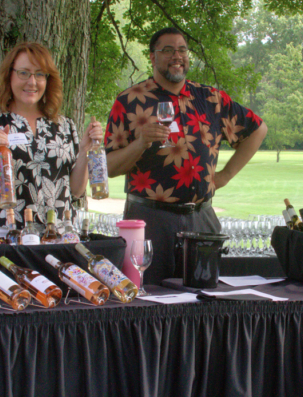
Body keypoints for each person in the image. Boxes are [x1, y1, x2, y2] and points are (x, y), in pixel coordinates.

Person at [105, 27, 267, 284]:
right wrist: (141, 143)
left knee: (204, 300)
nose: (176, 56)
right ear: (153, 56)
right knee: (148, 299)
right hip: (150, 221)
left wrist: (225, 176)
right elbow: (108, 167)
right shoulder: (130, 100)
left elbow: (257, 129)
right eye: (167, 50)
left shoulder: (211, 99)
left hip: (201, 220)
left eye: (182, 50)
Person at [0, 41, 104, 232]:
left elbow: (76, 191)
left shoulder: (64, 126)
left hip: (57, 236)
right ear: (9, 75)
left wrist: (85, 149)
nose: (32, 82)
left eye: (39, 74)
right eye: (24, 73)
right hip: (6, 236)